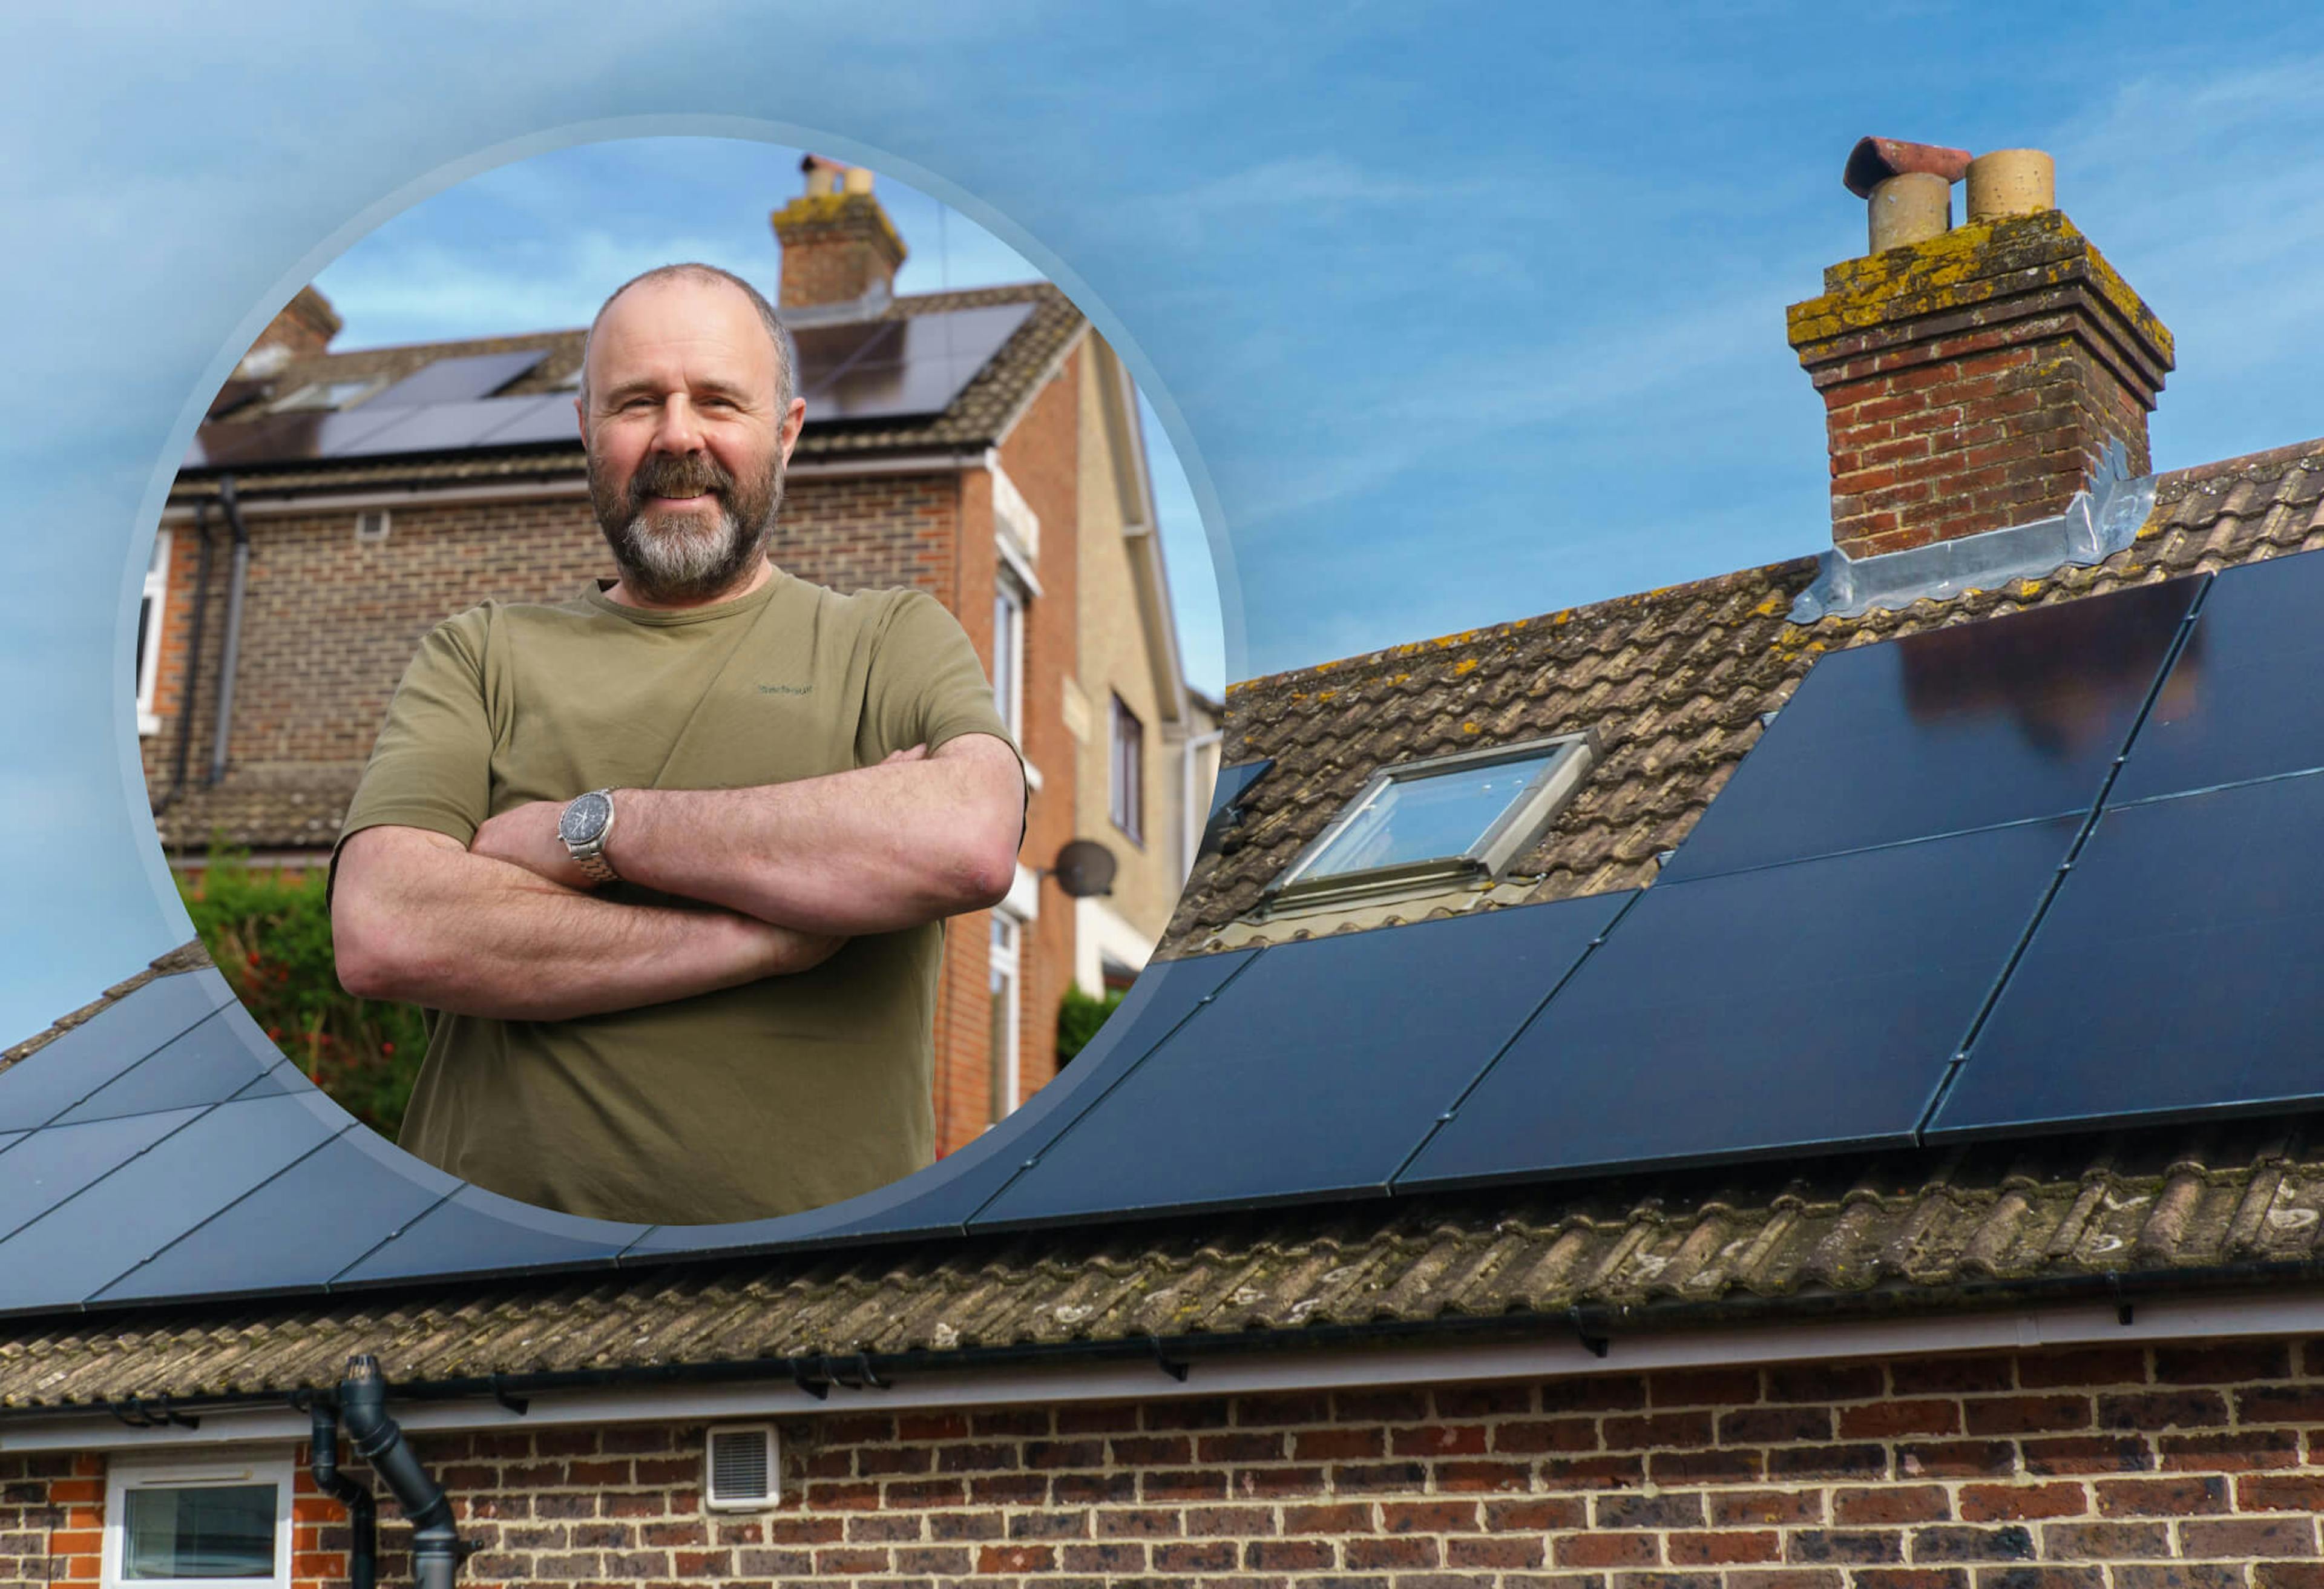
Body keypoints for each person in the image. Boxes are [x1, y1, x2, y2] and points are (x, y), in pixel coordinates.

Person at [329, 263, 1026, 1226]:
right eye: (637, 403)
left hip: (807, 1313)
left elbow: (968, 838)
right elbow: (386, 926)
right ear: (586, 431)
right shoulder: (480, 652)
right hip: (480, 1297)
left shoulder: (887, 639)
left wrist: (600, 831)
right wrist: (764, 936)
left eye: (718, 400)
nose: (678, 435)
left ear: (786, 431)